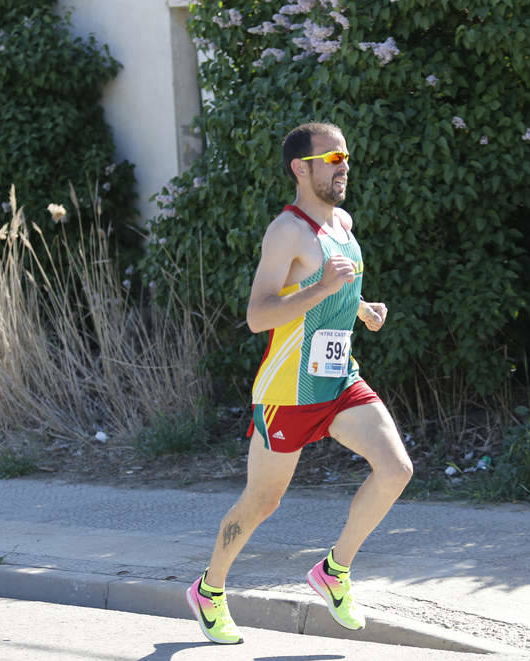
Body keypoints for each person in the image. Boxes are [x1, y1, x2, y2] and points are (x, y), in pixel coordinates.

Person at [186, 122, 413, 644]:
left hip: (338, 380)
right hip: (287, 390)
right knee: (262, 502)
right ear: (300, 168)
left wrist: (360, 307)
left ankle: (334, 571)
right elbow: (259, 315)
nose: (343, 166)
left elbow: (327, 288)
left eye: (346, 157)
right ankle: (209, 590)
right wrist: (326, 288)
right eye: (332, 158)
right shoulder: (286, 231)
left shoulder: (343, 224)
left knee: (396, 468)